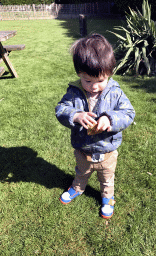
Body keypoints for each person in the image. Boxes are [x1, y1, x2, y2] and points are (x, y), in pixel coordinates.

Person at [55, 33, 135, 219]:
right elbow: (61, 109)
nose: (94, 87)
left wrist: (111, 119)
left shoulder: (115, 93)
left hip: (107, 151)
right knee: (81, 172)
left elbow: (128, 114)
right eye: (88, 80)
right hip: (83, 149)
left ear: (109, 73)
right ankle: (77, 188)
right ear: (79, 74)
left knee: (107, 179)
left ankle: (107, 198)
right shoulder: (74, 92)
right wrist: (75, 115)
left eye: (100, 80)